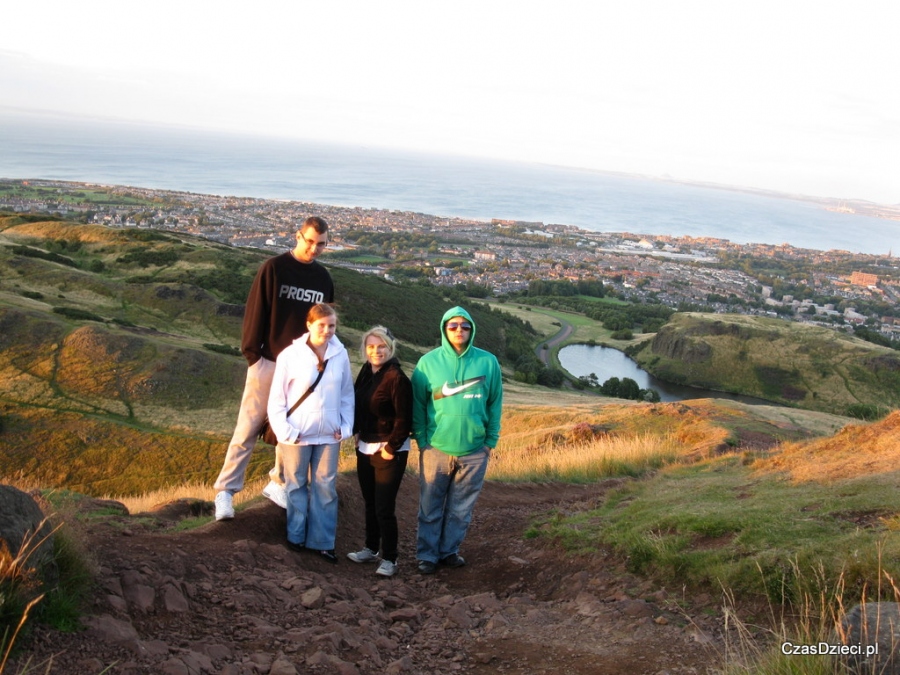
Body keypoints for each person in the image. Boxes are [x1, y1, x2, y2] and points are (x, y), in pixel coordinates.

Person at [213, 216, 334, 521]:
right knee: (248, 427)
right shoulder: (274, 268)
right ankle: (225, 493)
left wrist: (320, 361)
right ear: (298, 236)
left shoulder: (323, 279)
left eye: (320, 244)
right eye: (309, 241)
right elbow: (256, 311)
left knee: (289, 432)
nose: (314, 248)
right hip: (267, 361)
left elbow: (323, 324)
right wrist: (254, 356)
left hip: (301, 368)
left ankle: (278, 482)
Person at [410, 306, 503, 575]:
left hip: (474, 451)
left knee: (460, 509)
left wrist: (489, 443)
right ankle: (427, 555)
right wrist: (423, 441)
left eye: (465, 326)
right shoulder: (428, 363)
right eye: (453, 326)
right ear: (444, 329)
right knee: (430, 507)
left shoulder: (488, 362)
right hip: (436, 449)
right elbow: (418, 404)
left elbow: (495, 402)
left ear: (471, 329)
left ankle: (448, 551)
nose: (459, 330)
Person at [267, 303, 354, 563]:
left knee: (325, 487)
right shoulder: (290, 355)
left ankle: (323, 542)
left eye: (332, 326)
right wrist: (285, 432)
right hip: (298, 436)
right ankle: (296, 537)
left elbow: (347, 394)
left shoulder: (341, 354)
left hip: (330, 435)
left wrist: (346, 427)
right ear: (309, 325)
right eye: (321, 325)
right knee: (296, 486)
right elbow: (277, 399)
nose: (327, 331)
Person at [346, 326, 413, 577]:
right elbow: (359, 404)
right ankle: (371, 548)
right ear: (365, 349)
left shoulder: (396, 377)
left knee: (384, 506)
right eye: (371, 346)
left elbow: (404, 419)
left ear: (390, 347)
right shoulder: (366, 371)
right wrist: (357, 433)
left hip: (388, 449)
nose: (376, 351)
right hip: (365, 446)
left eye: (381, 346)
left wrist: (390, 448)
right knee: (370, 502)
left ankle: (390, 558)